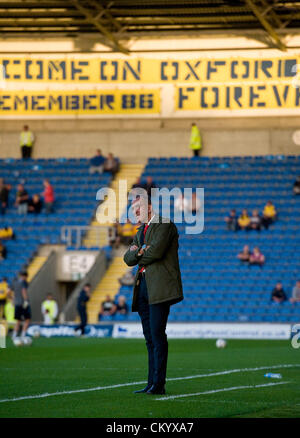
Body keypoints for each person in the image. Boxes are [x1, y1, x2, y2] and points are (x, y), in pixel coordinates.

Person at [124, 196, 183, 395]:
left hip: (159, 289)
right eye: (133, 209)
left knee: (157, 336)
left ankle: (159, 384)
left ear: (149, 207)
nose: (135, 212)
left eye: (138, 208)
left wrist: (138, 252)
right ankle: (151, 384)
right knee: (149, 339)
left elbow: (156, 252)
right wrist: (140, 251)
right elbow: (127, 259)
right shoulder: (140, 231)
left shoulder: (164, 224)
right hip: (143, 288)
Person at [12, 272, 31, 342]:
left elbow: (9, 292)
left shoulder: (15, 283)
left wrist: (13, 300)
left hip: (17, 304)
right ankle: (23, 335)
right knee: (27, 319)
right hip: (23, 304)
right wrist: (26, 300)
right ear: (25, 276)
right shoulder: (24, 282)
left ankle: (14, 335)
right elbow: (24, 291)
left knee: (18, 320)